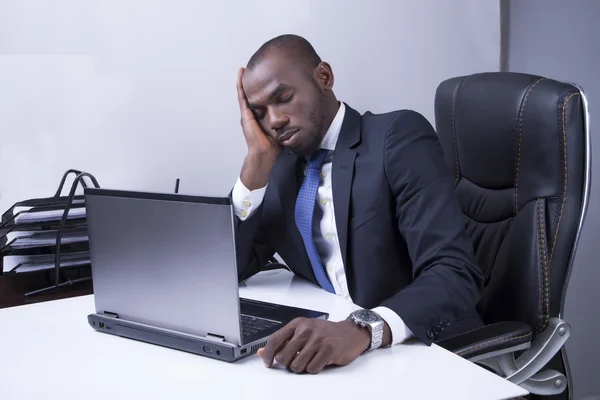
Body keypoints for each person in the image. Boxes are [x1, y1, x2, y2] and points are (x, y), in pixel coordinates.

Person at [232, 34, 484, 374]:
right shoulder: (278, 169)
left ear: (324, 77)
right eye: (260, 112)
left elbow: (455, 273)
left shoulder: (396, 138)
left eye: (283, 98)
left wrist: (361, 328)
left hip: (421, 351)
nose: (274, 120)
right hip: (337, 359)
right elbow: (234, 267)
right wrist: (254, 166)